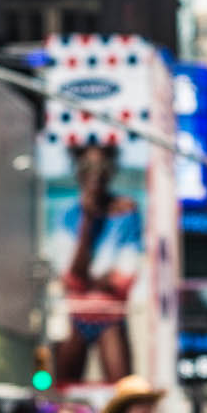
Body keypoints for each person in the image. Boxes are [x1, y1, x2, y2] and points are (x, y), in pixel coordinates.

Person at [54, 144, 140, 384]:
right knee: (63, 390)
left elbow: (122, 281)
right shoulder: (68, 216)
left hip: (110, 316)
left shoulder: (127, 214)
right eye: (87, 167)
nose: (95, 174)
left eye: (102, 167)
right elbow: (72, 278)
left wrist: (85, 282)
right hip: (75, 315)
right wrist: (88, 222)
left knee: (122, 390)